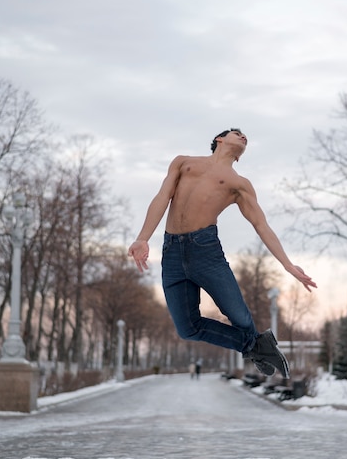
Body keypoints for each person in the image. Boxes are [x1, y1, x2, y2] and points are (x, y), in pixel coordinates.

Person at [128, 128, 317, 378]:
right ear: (219, 139)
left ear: (240, 156)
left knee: (238, 315)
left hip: (205, 251)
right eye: (237, 133)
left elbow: (261, 225)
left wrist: (288, 265)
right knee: (187, 329)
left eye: (245, 138)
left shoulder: (239, 184)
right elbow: (163, 196)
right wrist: (143, 237)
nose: (243, 137)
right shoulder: (183, 162)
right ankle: (256, 346)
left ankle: (256, 346)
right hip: (171, 252)